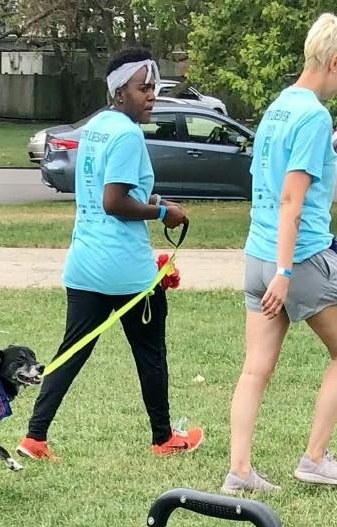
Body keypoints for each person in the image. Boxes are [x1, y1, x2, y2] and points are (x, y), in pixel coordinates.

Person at [17, 48, 201, 464]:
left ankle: (34, 437)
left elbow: (114, 190)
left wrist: (153, 199)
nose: (151, 95)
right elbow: (114, 201)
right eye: (142, 88)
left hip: (84, 263)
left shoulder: (98, 127)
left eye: (153, 86)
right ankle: (163, 437)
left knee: (72, 351)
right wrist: (161, 212)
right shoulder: (127, 134)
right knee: (150, 352)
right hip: (126, 269)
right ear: (120, 92)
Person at [224, 12, 337, 494]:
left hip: (256, 256)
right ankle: (314, 458)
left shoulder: (280, 107)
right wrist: (286, 272)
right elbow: (291, 198)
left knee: (254, 368)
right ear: (333, 60)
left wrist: (332, 154)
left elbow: (281, 177)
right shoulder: (312, 115)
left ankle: (239, 471)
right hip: (298, 257)